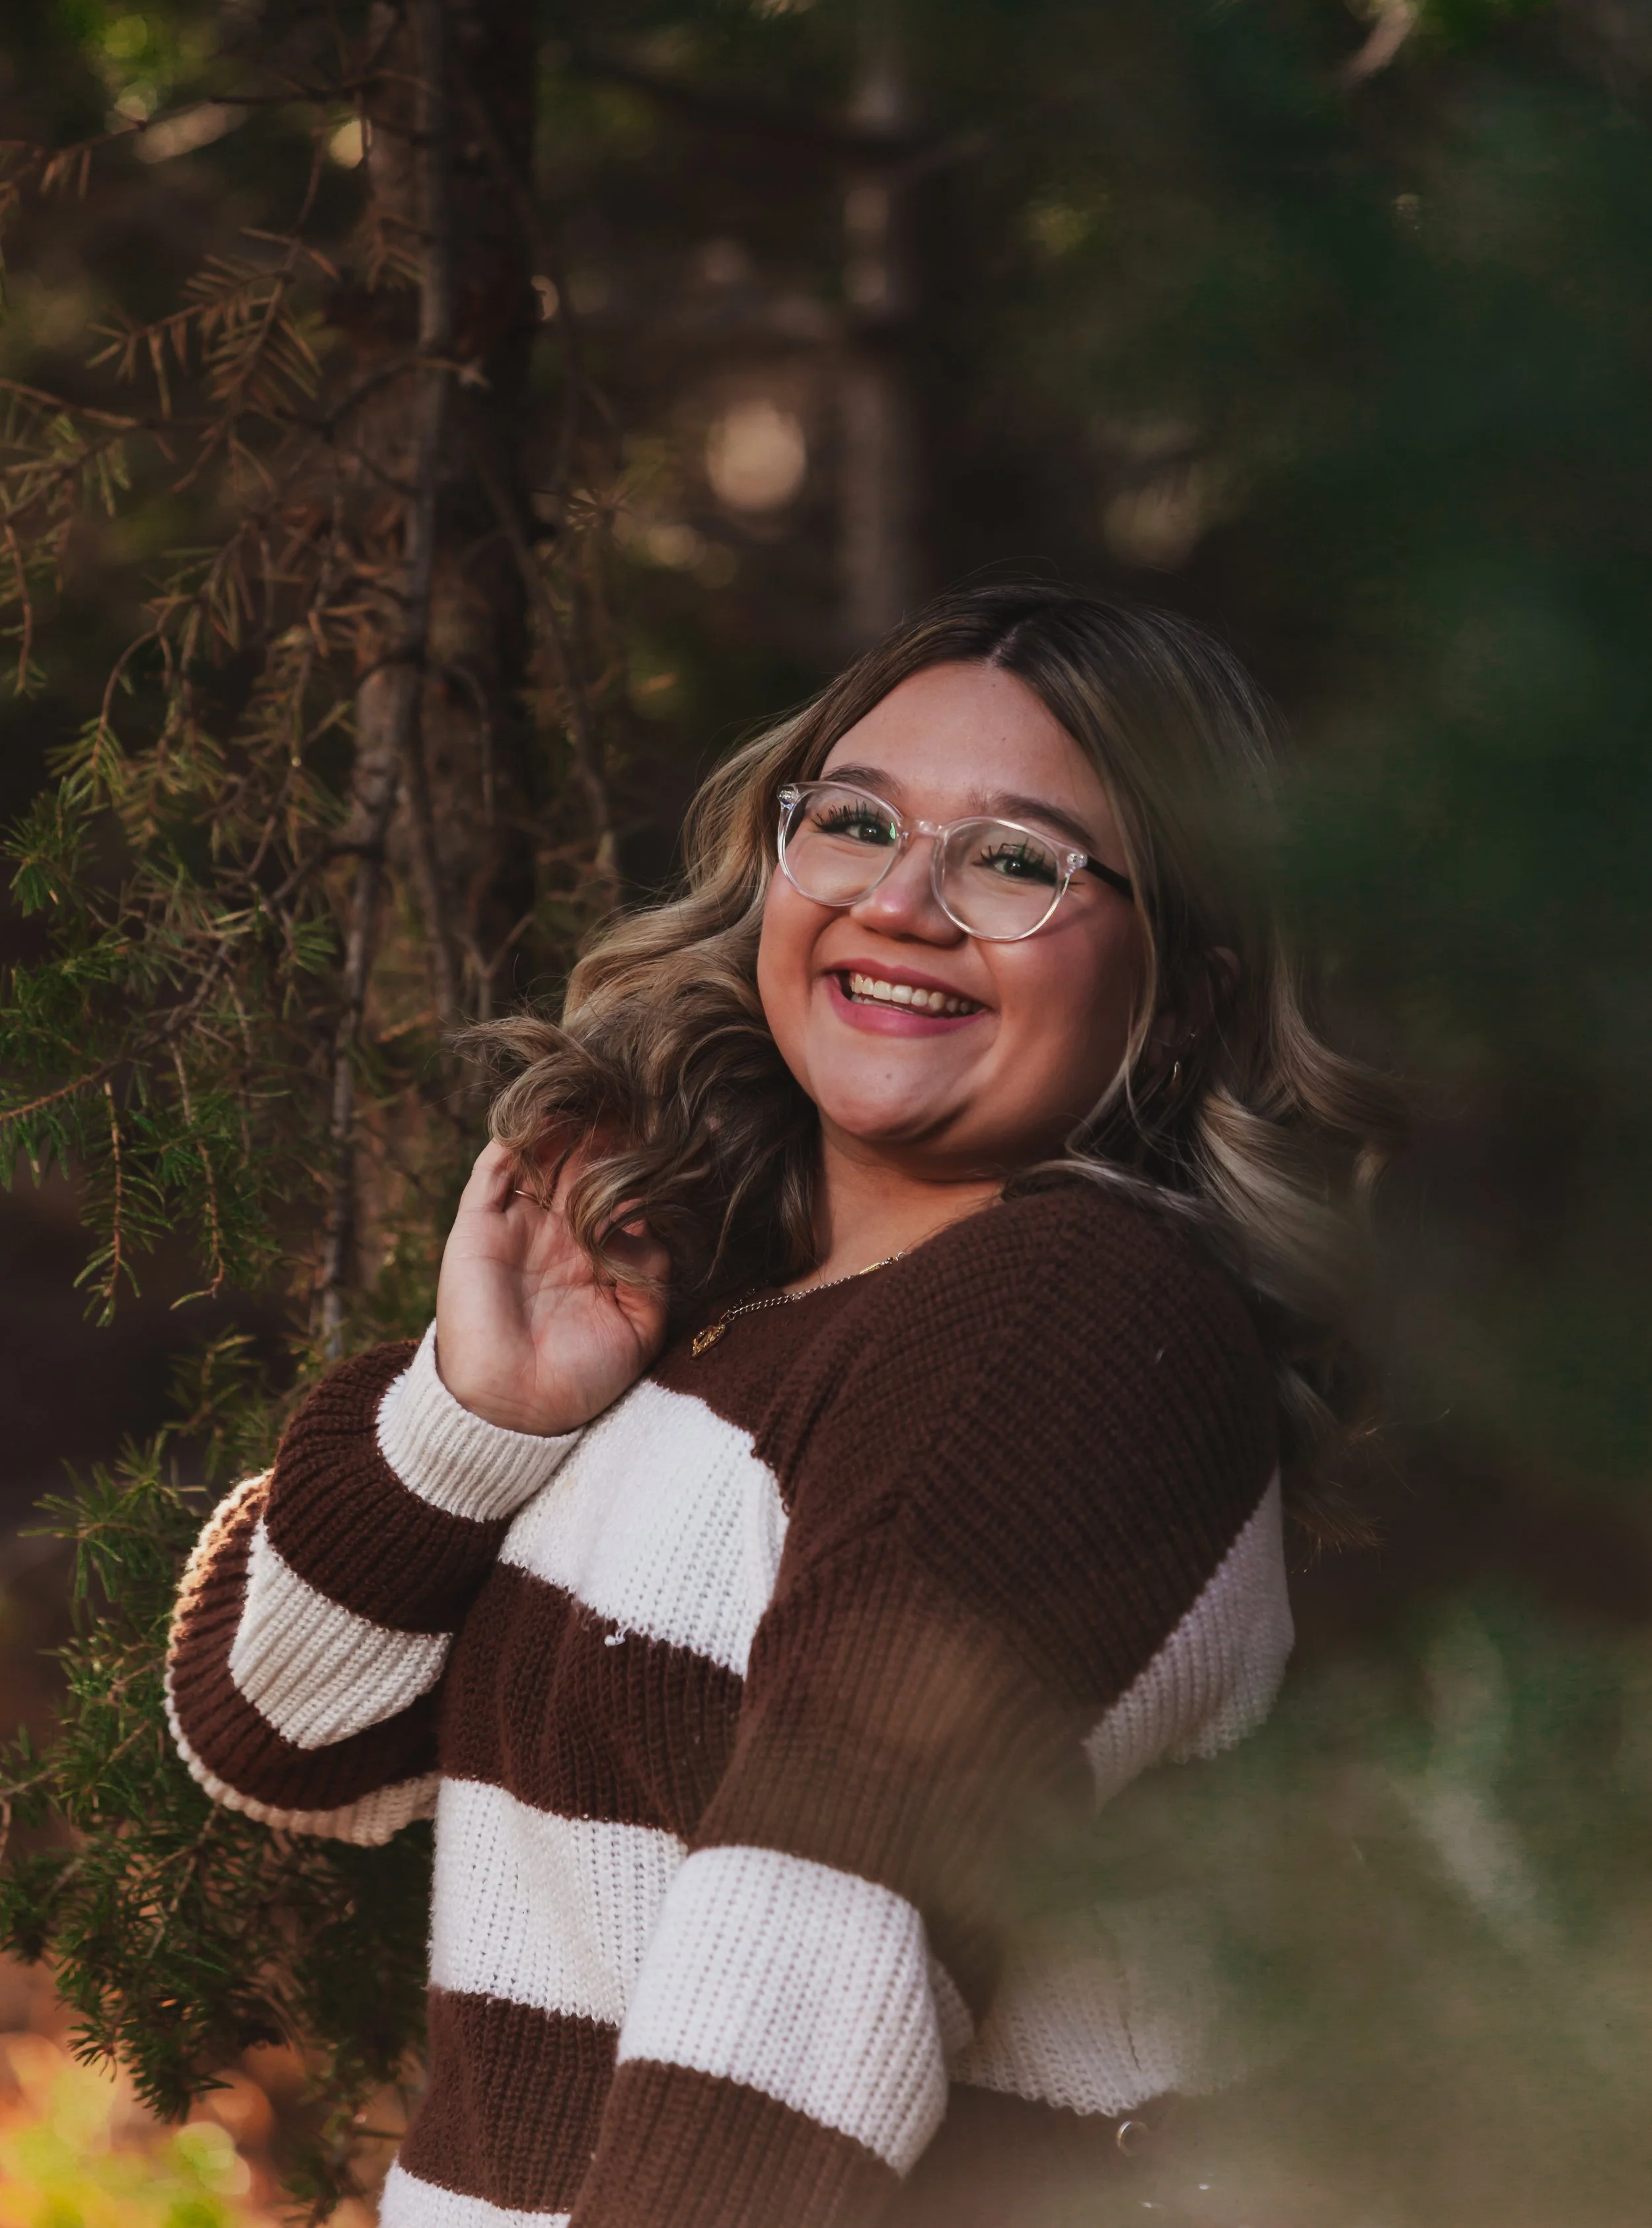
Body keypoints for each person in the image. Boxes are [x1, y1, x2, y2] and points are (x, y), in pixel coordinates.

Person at [166, 583, 1402, 2228]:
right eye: (855, 822)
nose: (903, 902)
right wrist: (483, 1414)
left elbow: (815, 1959)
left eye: (1015, 862)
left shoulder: (1069, 1318)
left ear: (1175, 993)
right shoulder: (713, 1307)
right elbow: (280, 1739)